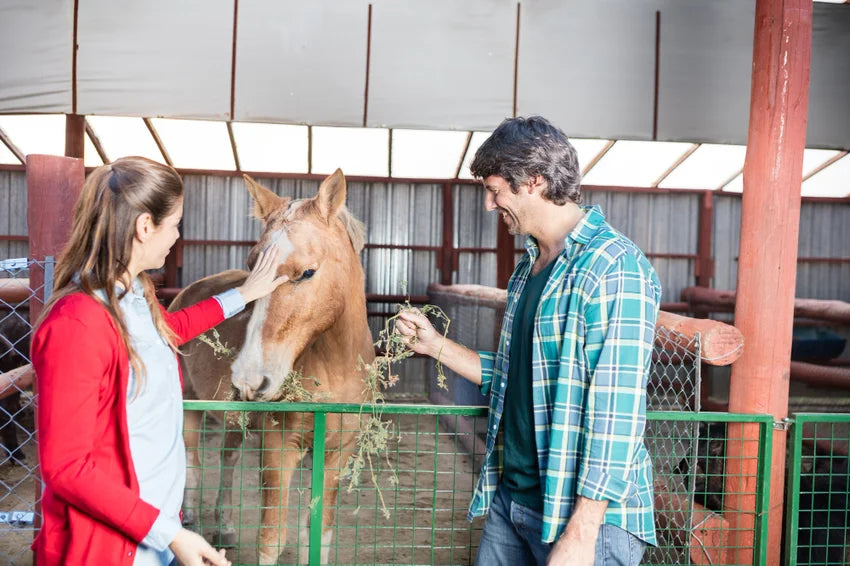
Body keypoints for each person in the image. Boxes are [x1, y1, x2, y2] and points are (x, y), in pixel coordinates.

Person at [396, 117, 661, 566]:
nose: (489, 204)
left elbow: (618, 411)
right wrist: (434, 345)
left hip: (581, 517)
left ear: (534, 181)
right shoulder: (529, 268)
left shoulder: (614, 266)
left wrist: (582, 531)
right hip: (514, 498)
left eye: (495, 190)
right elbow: (513, 376)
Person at [31, 156, 288, 566]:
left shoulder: (134, 298)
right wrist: (172, 535)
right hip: (105, 548)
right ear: (144, 226)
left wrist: (245, 293)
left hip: (152, 536)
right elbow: (66, 467)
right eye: (174, 224)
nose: (177, 235)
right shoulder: (77, 323)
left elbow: (171, 328)